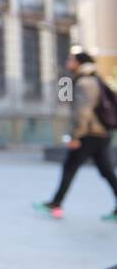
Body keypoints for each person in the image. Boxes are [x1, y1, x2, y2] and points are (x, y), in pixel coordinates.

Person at [35, 50, 117, 221]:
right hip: (101, 133)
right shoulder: (91, 79)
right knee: (107, 172)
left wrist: (75, 136)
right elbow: (64, 101)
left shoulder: (84, 83)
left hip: (88, 134)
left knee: (69, 168)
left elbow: (82, 112)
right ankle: (56, 203)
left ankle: (56, 204)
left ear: (79, 63)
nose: (67, 62)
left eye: (70, 60)